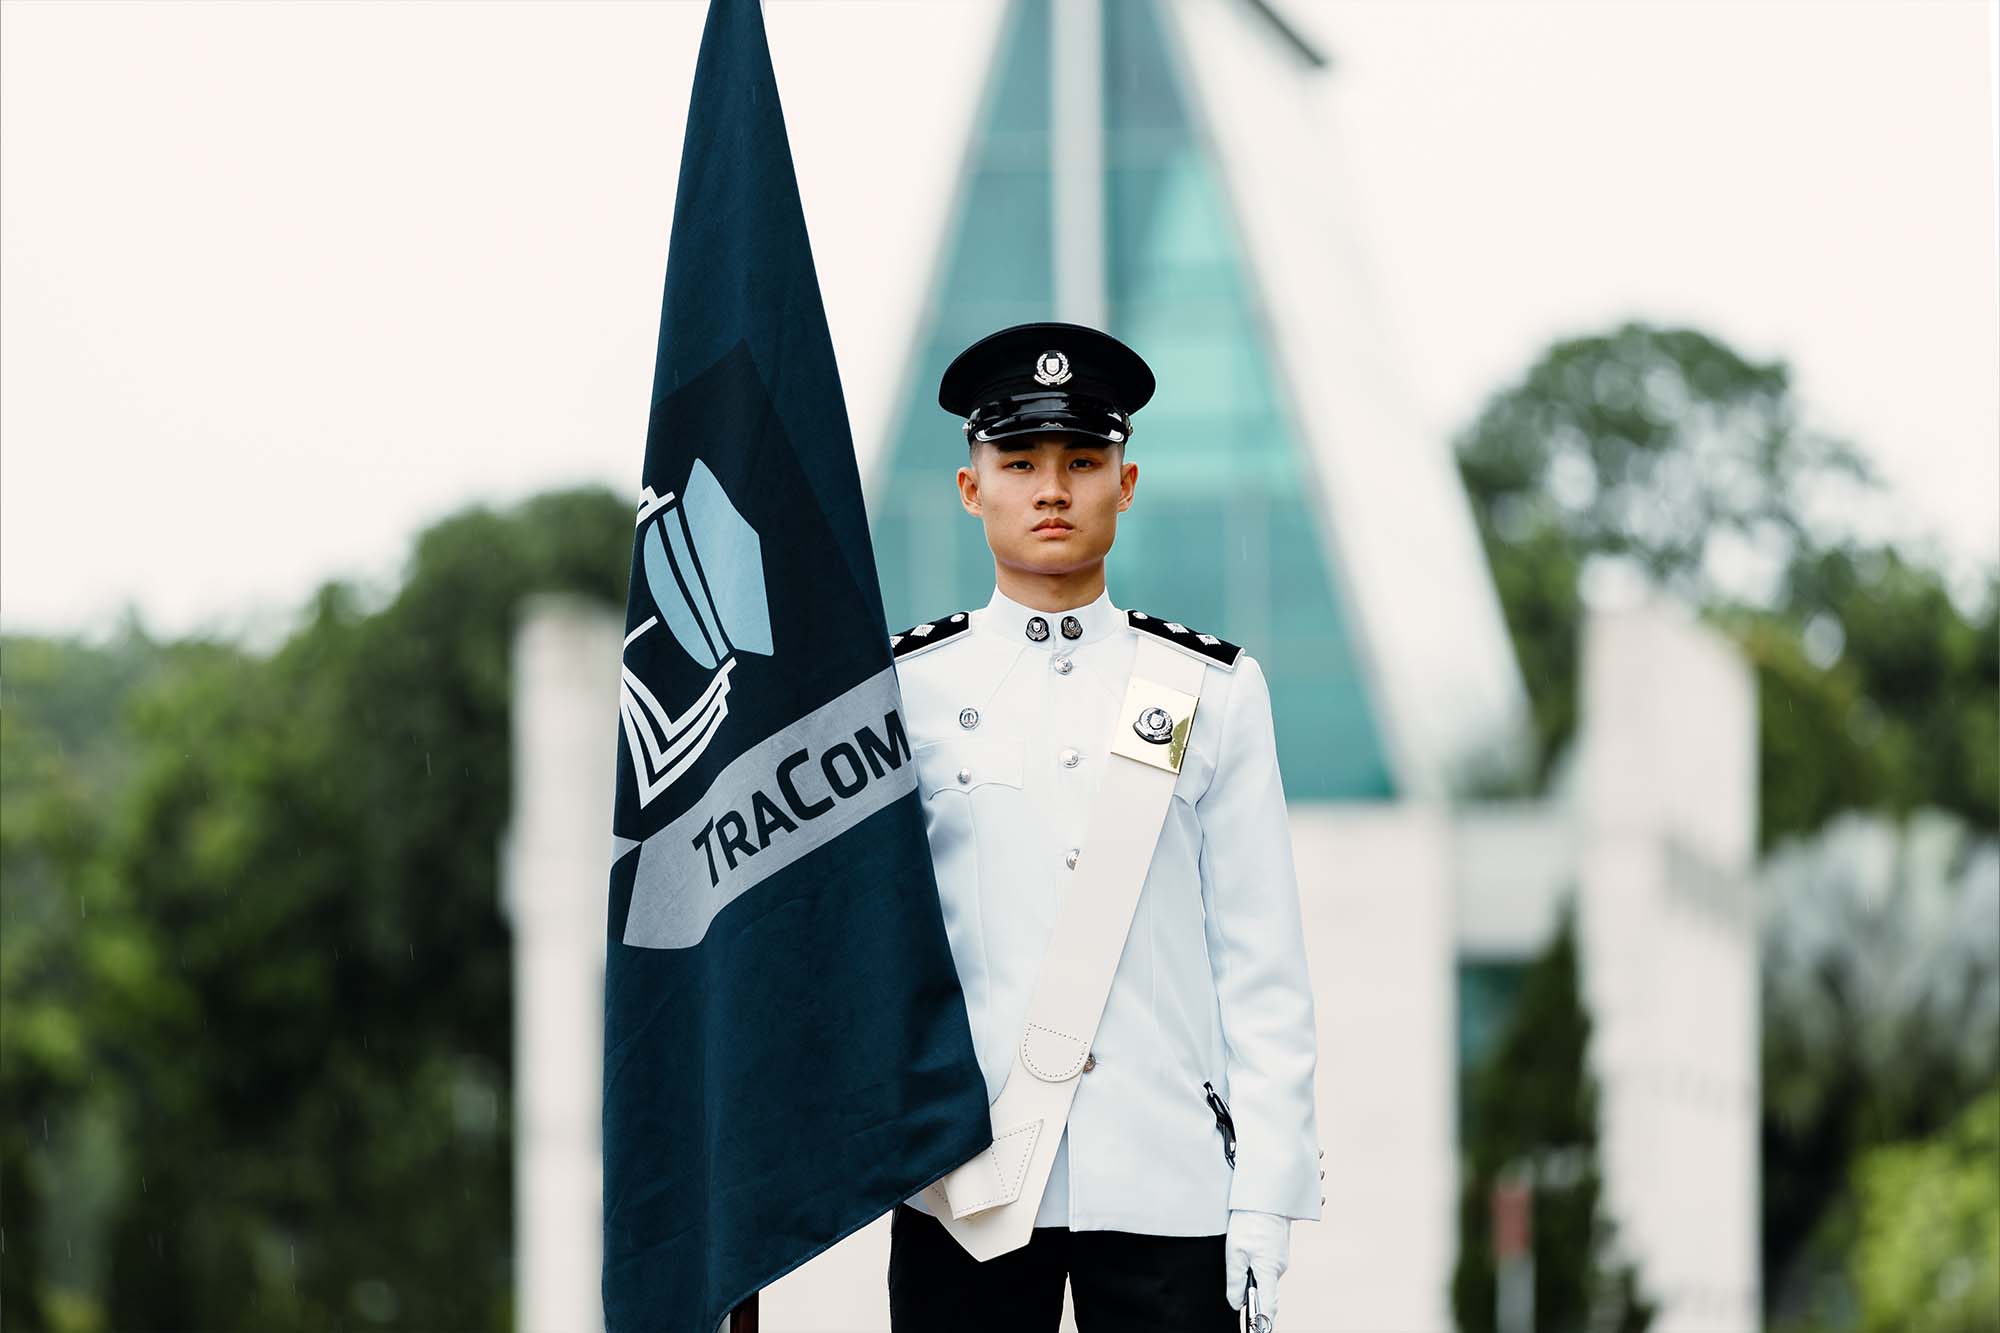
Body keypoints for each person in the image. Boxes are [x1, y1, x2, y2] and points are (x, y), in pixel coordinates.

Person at [885, 322, 1322, 1332]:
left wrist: (1265, 1193)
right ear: (969, 486)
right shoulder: (903, 688)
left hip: (1163, 1179)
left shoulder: (1210, 689)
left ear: (1124, 485)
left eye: (1083, 461)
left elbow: (1262, 970)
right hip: (967, 1181)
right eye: (1019, 461)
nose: (1051, 488)